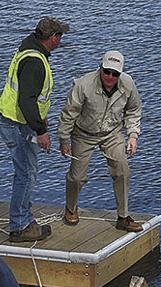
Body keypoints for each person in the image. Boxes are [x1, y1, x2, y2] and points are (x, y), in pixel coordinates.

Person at [0, 16, 68, 243]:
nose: (60, 42)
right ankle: (20, 226)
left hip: (13, 119)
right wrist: (40, 131)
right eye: (59, 37)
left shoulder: (28, 49)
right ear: (52, 38)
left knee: (25, 172)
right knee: (26, 173)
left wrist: (40, 117)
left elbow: (31, 97)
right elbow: (26, 100)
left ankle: (23, 220)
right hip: (17, 123)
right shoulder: (35, 62)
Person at [57, 50, 144, 232]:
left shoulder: (128, 85)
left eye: (115, 74)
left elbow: (134, 110)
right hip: (83, 133)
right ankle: (70, 209)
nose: (110, 77)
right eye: (107, 72)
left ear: (120, 74)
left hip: (111, 132)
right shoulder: (83, 85)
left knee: (122, 170)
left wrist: (133, 135)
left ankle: (123, 217)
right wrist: (64, 139)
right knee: (77, 177)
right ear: (100, 68)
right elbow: (68, 113)